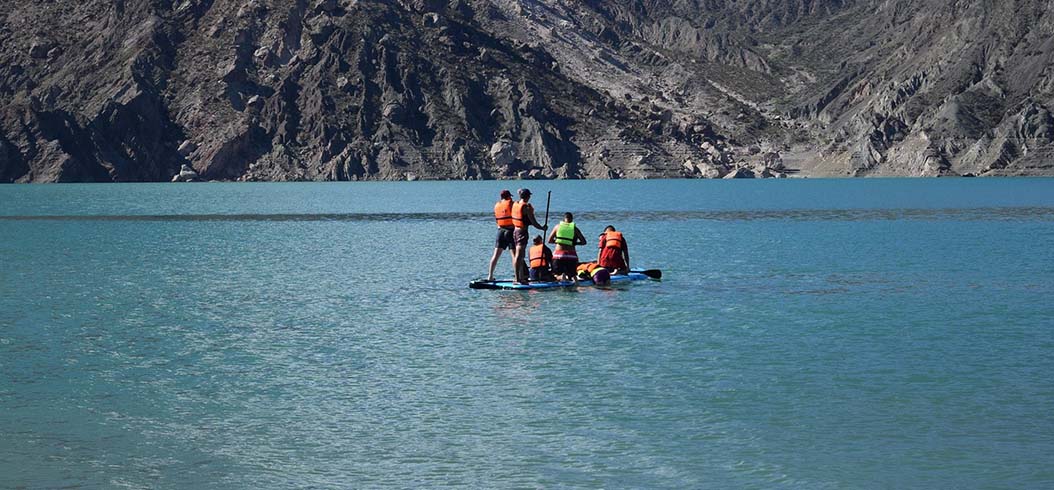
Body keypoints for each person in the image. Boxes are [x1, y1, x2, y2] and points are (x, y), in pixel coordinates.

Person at [511, 188, 546, 284]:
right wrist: (542, 228)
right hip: (522, 232)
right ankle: (517, 279)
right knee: (519, 256)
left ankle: (520, 277)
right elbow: (533, 221)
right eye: (529, 195)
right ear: (528, 196)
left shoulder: (516, 203)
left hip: (515, 231)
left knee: (520, 256)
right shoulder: (525, 207)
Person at [548, 212, 587, 282]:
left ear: (564, 219)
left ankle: (560, 276)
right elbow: (584, 242)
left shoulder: (557, 227)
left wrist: (558, 242)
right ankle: (574, 280)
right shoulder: (575, 229)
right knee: (573, 275)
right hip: (571, 255)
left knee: (556, 274)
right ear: (571, 219)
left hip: (559, 254)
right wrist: (574, 243)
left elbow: (549, 240)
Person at [486, 189, 515, 281]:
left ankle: (490, 276)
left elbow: (497, 220)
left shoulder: (497, 205)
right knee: (514, 255)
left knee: (496, 255)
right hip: (510, 230)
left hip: (500, 231)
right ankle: (518, 277)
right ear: (508, 196)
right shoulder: (511, 203)